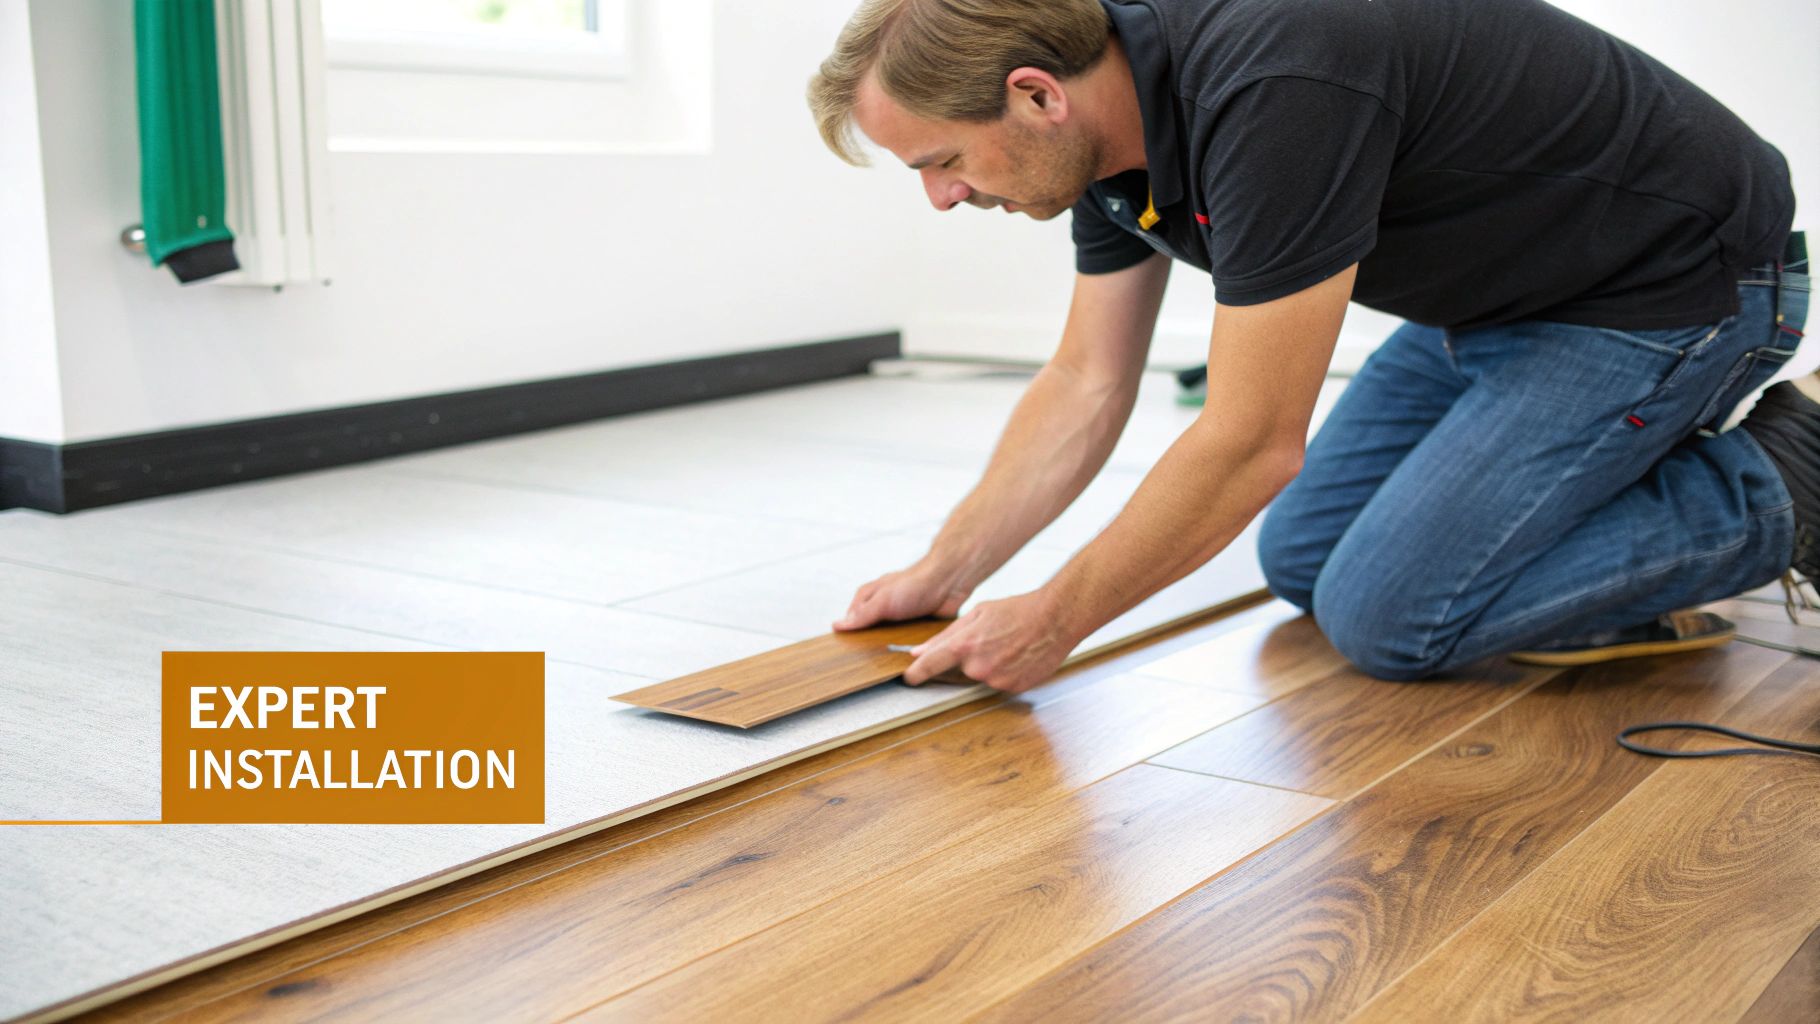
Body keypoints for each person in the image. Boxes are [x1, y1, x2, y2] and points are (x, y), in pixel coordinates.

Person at [808, 0, 1810, 692]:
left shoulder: (1275, 75)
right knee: (1303, 559)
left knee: (1389, 619)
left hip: (1668, 285)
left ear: (1035, 95)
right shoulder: (1096, 130)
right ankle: (1609, 471)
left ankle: (1793, 475)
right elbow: (1084, 381)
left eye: (939, 161)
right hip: (1498, 294)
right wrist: (946, 572)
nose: (942, 197)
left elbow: (1251, 440)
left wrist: (1057, 618)